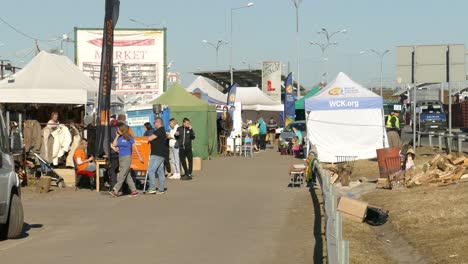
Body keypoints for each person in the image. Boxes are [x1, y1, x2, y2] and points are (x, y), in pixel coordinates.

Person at [109, 124, 143, 197]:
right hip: (120, 157)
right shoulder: (119, 137)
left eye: (118, 130)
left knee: (122, 174)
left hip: (127, 157)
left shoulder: (129, 138)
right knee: (127, 175)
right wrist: (117, 136)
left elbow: (135, 147)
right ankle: (134, 190)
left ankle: (115, 189)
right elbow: (114, 145)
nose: (117, 131)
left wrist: (139, 156)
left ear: (122, 130)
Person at [146, 118, 168, 194]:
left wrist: (147, 138)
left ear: (158, 122)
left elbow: (150, 138)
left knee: (151, 170)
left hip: (157, 154)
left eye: (154, 122)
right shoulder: (162, 130)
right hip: (161, 154)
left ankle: (152, 188)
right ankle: (161, 189)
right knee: (160, 172)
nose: (154, 124)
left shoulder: (159, 130)